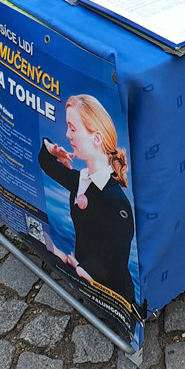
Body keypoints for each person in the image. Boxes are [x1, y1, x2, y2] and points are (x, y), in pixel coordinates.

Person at [38, 94, 135, 304]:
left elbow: (116, 262)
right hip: (84, 275)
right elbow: (47, 164)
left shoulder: (115, 201)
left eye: (73, 128)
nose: (67, 134)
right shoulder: (81, 180)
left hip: (114, 295)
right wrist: (52, 149)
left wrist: (81, 269)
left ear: (96, 138)